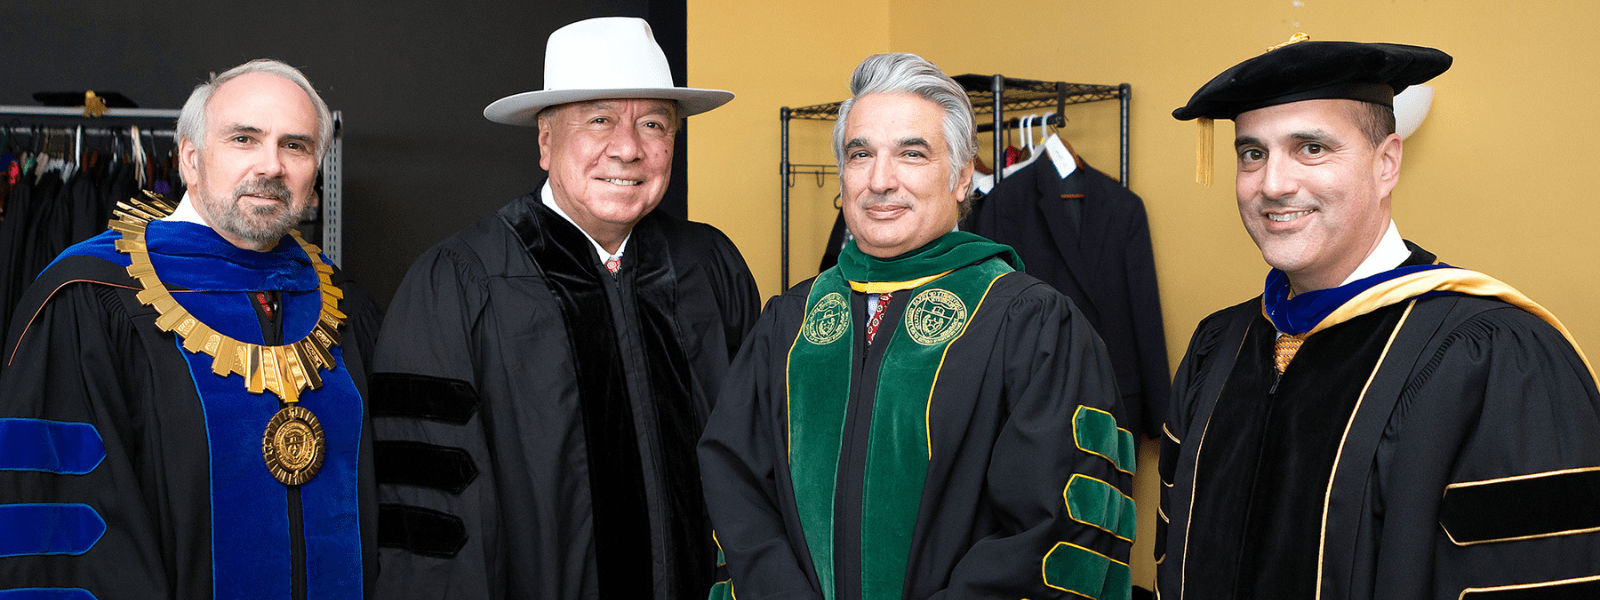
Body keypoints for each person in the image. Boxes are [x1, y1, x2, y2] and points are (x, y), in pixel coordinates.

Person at [1158, 37, 1600, 599]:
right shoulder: (1219, 345)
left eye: (1311, 148)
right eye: (1253, 153)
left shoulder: (1496, 356)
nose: (1273, 184)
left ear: (1387, 162)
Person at [699, 52, 1135, 600]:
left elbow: (1056, 528)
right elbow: (737, 490)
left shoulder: (1030, 323)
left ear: (960, 177)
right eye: (861, 155)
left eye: (911, 153)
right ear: (843, 174)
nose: (881, 180)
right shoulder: (789, 324)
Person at [369, 16, 760, 600]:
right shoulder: (457, 286)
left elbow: (756, 463)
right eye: (599, 119)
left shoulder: (711, 267)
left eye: (653, 123)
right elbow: (430, 519)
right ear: (545, 141)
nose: (627, 148)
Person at [0, 59, 380, 598]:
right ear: (190, 159)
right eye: (244, 139)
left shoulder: (340, 306)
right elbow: (65, 531)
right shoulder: (93, 298)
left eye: (295, 146)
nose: (271, 165)